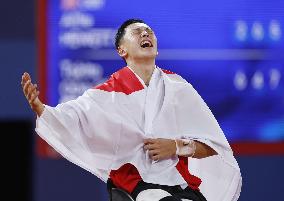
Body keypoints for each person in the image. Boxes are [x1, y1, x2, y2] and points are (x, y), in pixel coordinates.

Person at [21, 19, 242, 201]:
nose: (145, 34)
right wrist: (40, 108)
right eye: (137, 32)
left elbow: (213, 145)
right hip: (134, 185)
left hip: (181, 184)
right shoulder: (107, 94)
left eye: (149, 31)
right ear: (121, 50)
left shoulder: (179, 88)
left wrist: (176, 146)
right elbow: (71, 117)